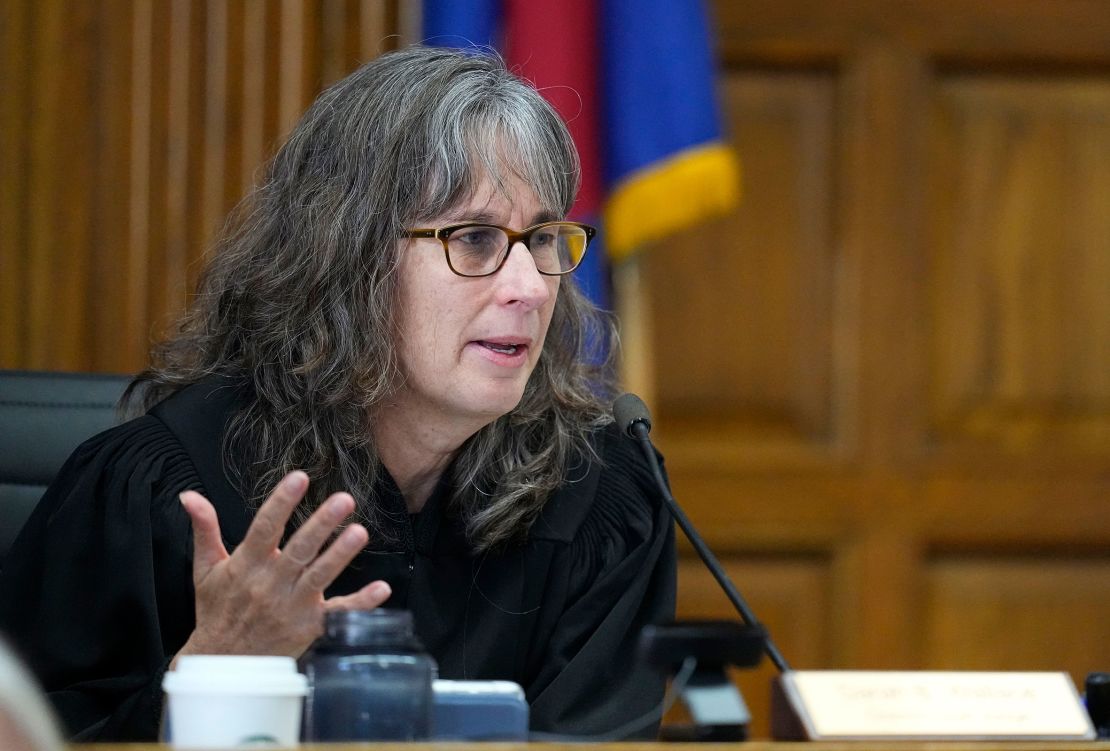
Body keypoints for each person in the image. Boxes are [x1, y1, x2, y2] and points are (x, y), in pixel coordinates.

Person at [0, 45, 675, 741]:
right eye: (474, 238)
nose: (531, 286)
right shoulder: (169, 487)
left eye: (540, 239)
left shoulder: (599, 492)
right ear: (348, 256)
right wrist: (209, 673)